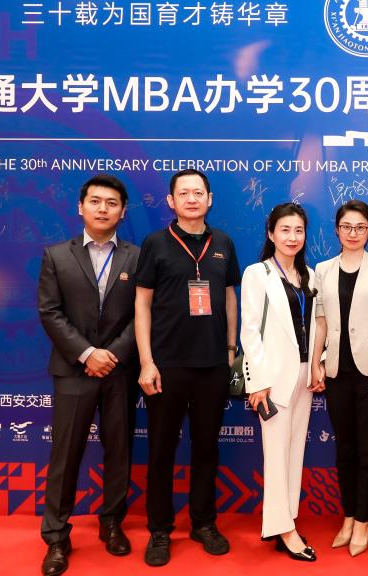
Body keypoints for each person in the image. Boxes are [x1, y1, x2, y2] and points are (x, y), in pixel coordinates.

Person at [135, 169, 240, 567]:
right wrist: (147, 362)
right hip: (167, 365)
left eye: (199, 193)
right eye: (184, 193)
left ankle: (203, 523)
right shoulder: (156, 243)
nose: (192, 199)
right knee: (161, 451)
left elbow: (229, 298)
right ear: (171, 201)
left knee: (207, 449)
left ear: (209, 199)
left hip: (212, 365)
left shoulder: (223, 243)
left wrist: (230, 350)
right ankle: (160, 529)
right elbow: (142, 304)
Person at [37, 174, 139, 576]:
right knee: (65, 455)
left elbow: (143, 313)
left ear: (122, 211)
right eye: (95, 201)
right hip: (73, 370)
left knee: (119, 450)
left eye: (111, 203)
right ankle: (56, 537)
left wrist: (112, 354)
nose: (103, 209)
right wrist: (86, 353)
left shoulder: (137, 256)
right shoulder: (56, 255)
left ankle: (112, 523)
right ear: (81, 207)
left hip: (119, 370)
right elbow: (50, 312)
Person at [310, 199, 368, 557]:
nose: (353, 233)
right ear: (336, 230)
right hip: (336, 373)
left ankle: (363, 520)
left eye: (360, 227)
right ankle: (348, 516)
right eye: (346, 226)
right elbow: (320, 322)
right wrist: (315, 362)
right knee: (345, 449)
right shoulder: (323, 269)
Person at [240, 203, 320, 562]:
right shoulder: (257, 274)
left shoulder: (310, 275)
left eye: (298, 230)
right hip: (272, 380)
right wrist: (258, 381)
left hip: (304, 376)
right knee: (275, 455)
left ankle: (286, 519)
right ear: (271, 233)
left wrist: (317, 365)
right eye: (285, 230)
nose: (292, 237)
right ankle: (283, 529)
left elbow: (316, 326)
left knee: (294, 452)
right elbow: (250, 331)